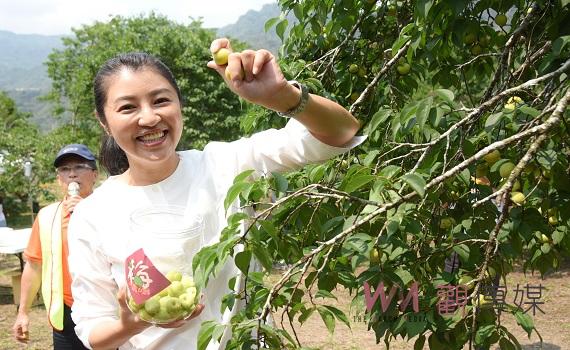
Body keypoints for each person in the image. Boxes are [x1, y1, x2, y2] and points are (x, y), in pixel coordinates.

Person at [67, 38, 364, 350]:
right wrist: (134, 323)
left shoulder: (226, 164)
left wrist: (282, 96)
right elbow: (93, 329)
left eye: (160, 101)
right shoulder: (94, 214)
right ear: (104, 121)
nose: (150, 117)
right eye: (128, 107)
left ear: (180, 105)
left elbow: (342, 133)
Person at [12, 144, 98, 349]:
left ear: (94, 174)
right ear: (59, 178)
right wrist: (23, 312)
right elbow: (34, 266)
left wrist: (87, 214)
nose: (72, 174)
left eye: (79, 167)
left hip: (106, 309)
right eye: (65, 169)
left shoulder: (112, 209)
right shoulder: (47, 216)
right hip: (65, 314)